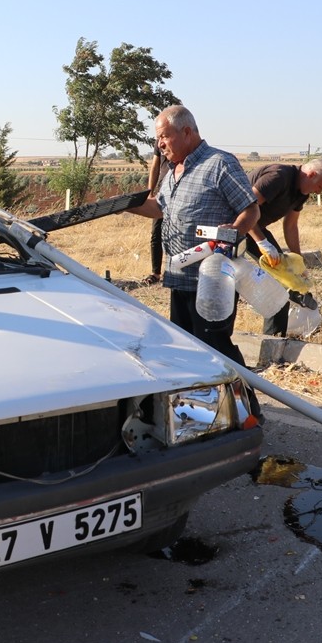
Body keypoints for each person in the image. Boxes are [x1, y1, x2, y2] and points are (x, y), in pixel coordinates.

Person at [128, 105, 263, 419]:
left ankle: (249, 411)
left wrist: (235, 231)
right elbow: (158, 209)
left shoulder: (219, 164)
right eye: (158, 139)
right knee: (188, 353)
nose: (160, 145)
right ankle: (203, 415)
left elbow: (251, 210)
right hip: (180, 278)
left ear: (186, 132)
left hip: (211, 281)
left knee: (216, 347)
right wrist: (123, 206)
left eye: (164, 137)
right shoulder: (173, 170)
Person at [242, 159, 322, 336]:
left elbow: (291, 225)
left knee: (284, 281)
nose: (319, 191)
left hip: (256, 228)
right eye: (321, 186)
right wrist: (262, 243)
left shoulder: (302, 192)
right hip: (232, 225)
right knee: (271, 282)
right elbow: (243, 209)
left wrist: (297, 262)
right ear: (311, 174)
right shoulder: (278, 177)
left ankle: (274, 337)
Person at [142, 151, 172, 285]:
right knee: (156, 233)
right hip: (162, 191)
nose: (162, 141)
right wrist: (150, 192)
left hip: (179, 188)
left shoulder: (182, 136)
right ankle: (155, 273)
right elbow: (155, 166)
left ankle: (176, 269)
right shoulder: (159, 141)